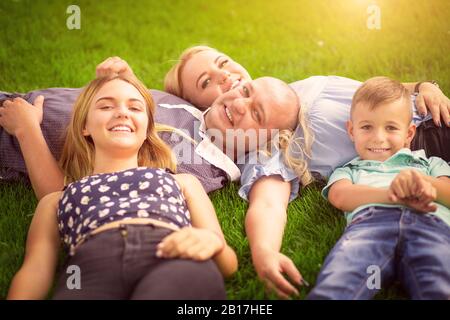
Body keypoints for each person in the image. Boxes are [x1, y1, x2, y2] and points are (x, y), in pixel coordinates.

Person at [1, 48, 450, 298]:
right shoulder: (249, 144)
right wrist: (264, 251)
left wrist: (421, 87)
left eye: (232, 78)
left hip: (427, 124)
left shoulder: (301, 95)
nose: (232, 91)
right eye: (214, 86)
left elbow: (378, 93)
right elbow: (267, 203)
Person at [7, 74, 238, 299]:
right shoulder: (55, 199)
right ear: (84, 126)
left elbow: (227, 264)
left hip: (173, 257)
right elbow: (36, 269)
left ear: (147, 129)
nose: (121, 113)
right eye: (106, 107)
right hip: (90, 267)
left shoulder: (183, 182)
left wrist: (212, 242)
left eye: (135, 108)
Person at [306, 77, 450, 299]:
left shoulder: (430, 163)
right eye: (366, 127)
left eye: (391, 127)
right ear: (352, 131)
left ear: (409, 134)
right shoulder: (350, 169)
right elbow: (339, 196)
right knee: (339, 283)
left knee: (440, 286)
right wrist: (393, 195)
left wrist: (425, 185)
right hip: (369, 229)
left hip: (431, 226)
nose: (378, 138)